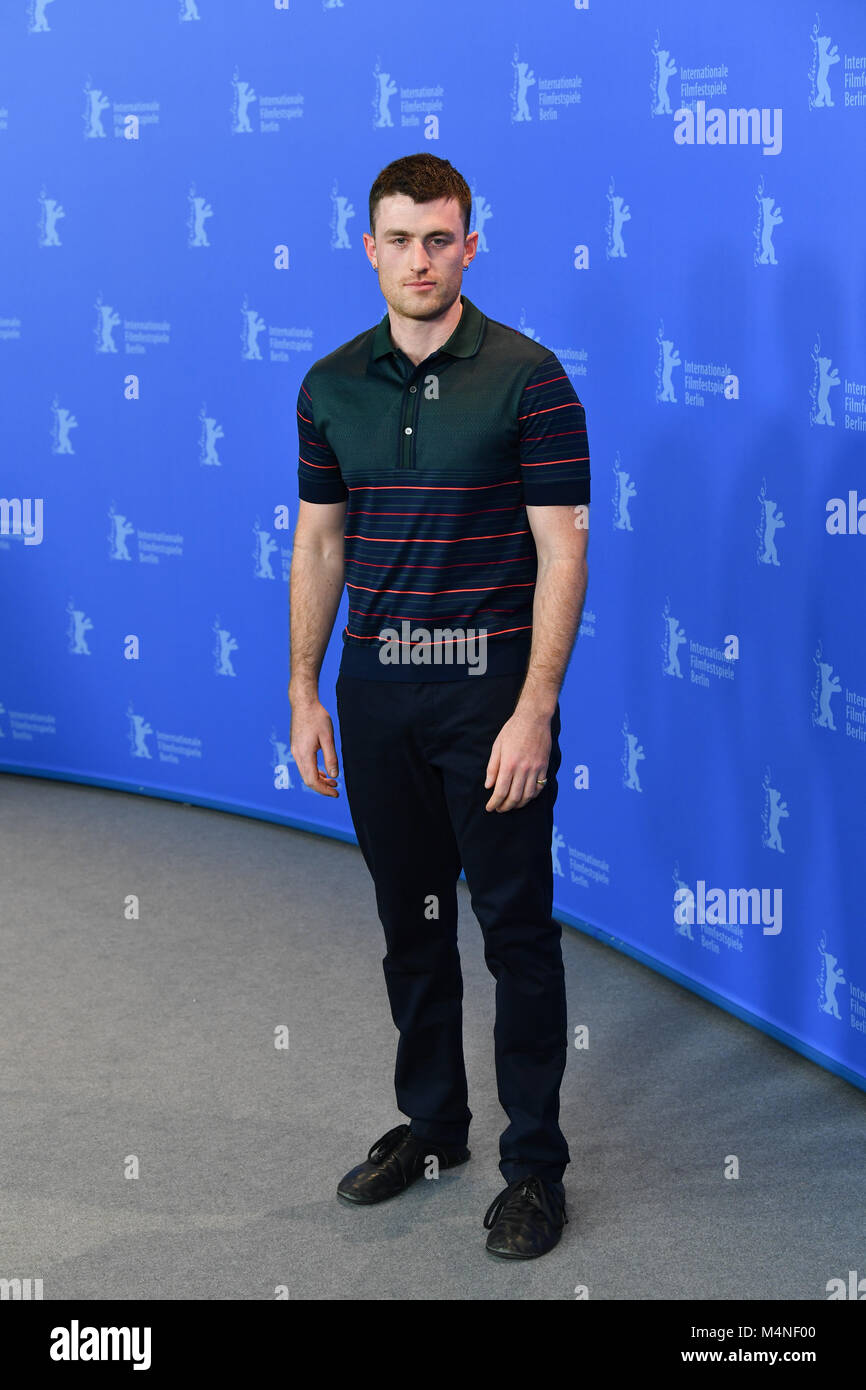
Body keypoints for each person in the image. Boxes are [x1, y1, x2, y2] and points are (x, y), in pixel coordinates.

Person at [289, 153, 590, 1260]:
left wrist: (534, 708)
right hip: (375, 694)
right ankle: (432, 1129)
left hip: (488, 695)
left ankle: (534, 1167)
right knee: (409, 925)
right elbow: (320, 545)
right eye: (399, 240)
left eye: (439, 239)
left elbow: (563, 553)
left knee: (515, 933)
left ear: (470, 246)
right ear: (368, 249)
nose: (420, 259)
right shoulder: (329, 384)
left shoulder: (530, 380)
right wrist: (303, 690)